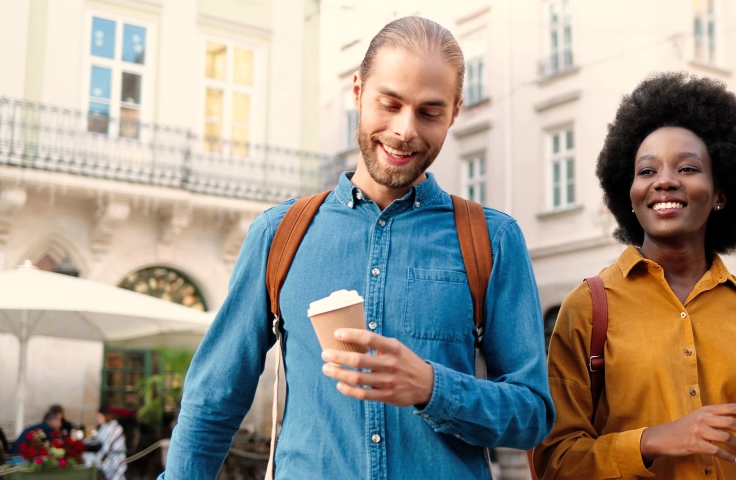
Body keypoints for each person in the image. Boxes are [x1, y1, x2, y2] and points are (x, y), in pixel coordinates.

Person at [161, 16, 554, 479]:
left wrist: (432, 387)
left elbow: (532, 415)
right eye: (389, 103)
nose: (405, 129)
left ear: (455, 111)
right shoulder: (278, 233)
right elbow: (214, 399)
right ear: (357, 91)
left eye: (429, 112)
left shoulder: (493, 240)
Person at [533, 73, 736, 479]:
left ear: (720, 194)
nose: (664, 180)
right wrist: (655, 440)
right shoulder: (589, 309)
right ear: (628, 193)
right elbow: (553, 461)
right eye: (646, 171)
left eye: (687, 167)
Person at [92, 406, 126, 480]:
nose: (97, 419)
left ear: (105, 416)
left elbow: (109, 446)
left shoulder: (115, 427)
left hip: (114, 456)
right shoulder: (103, 427)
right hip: (106, 454)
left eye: (99, 416)